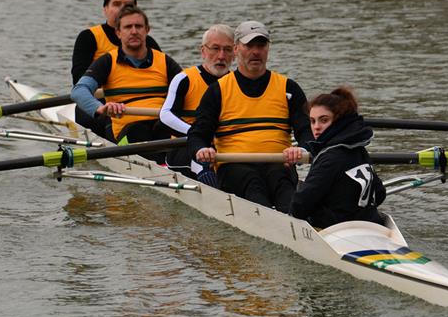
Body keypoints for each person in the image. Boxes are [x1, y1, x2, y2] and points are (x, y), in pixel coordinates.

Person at [187, 21, 312, 212]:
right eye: (249, 46)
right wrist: (203, 149)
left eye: (261, 45)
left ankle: (295, 221)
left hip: (278, 164)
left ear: (268, 49)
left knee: (284, 189)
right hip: (234, 167)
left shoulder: (289, 88)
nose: (256, 51)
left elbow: (307, 132)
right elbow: (197, 135)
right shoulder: (218, 91)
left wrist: (302, 149)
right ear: (236, 49)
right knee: (253, 185)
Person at [71, 5, 181, 163]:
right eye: (128, 27)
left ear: (147, 30)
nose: (134, 31)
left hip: (160, 125)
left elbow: (189, 90)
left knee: (175, 129)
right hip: (126, 131)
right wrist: (101, 108)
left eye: (139, 26)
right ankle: (165, 166)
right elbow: (79, 91)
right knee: (138, 131)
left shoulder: (164, 61)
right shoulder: (108, 61)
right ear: (118, 33)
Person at [71, 0, 161, 137]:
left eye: (127, 5)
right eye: (116, 4)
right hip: (102, 105)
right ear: (105, 9)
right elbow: (78, 80)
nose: (122, 9)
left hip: (140, 106)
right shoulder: (89, 37)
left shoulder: (148, 42)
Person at [290, 86, 386, 228]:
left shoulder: (329, 157)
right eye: (312, 121)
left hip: (337, 230)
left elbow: (298, 208)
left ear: (339, 121)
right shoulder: (359, 149)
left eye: (324, 120)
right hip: (372, 224)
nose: (316, 127)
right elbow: (379, 194)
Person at [159, 24, 235, 178]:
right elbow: (165, 115)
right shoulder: (184, 79)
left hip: (224, 145)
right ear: (203, 51)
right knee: (203, 164)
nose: (221, 56)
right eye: (215, 48)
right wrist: (198, 136)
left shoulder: (238, 83)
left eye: (227, 50)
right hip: (186, 146)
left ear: (235, 54)